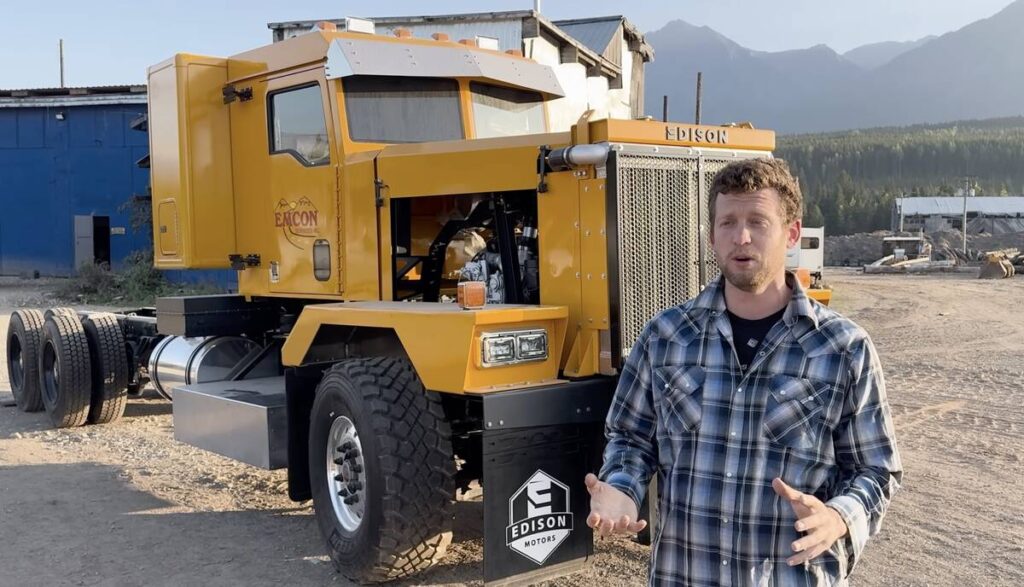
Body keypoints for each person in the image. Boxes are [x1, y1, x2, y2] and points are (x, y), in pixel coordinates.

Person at [585, 158, 902, 586]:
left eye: (758, 221)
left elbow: (875, 470)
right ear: (712, 236)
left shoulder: (843, 348)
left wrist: (838, 517)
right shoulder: (665, 338)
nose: (742, 237)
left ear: (791, 233)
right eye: (727, 222)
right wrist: (623, 487)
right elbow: (631, 437)